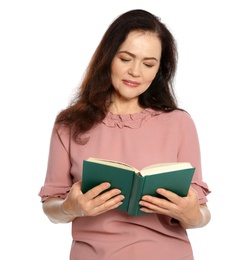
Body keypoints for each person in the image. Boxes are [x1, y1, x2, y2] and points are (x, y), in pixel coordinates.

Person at [38, 9, 211, 260]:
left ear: (159, 69)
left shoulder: (179, 123)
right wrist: (69, 208)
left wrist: (192, 214)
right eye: (126, 58)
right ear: (108, 57)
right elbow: (50, 207)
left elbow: (202, 214)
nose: (136, 72)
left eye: (148, 64)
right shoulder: (69, 124)